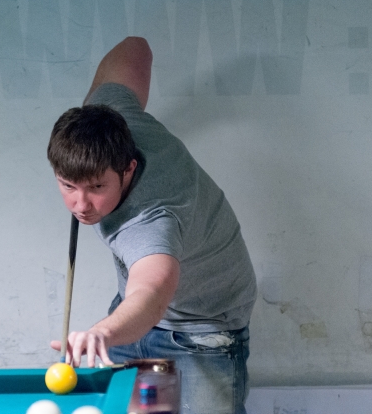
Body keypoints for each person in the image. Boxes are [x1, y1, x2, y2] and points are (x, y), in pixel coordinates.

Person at [47, 36, 257, 414]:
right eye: (68, 186)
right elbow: (135, 48)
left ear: (128, 169)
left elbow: (150, 295)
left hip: (201, 328)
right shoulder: (113, 119)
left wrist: (102, 332)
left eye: (96, 187)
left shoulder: (152, 222)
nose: (80, 204)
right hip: (129, 319)